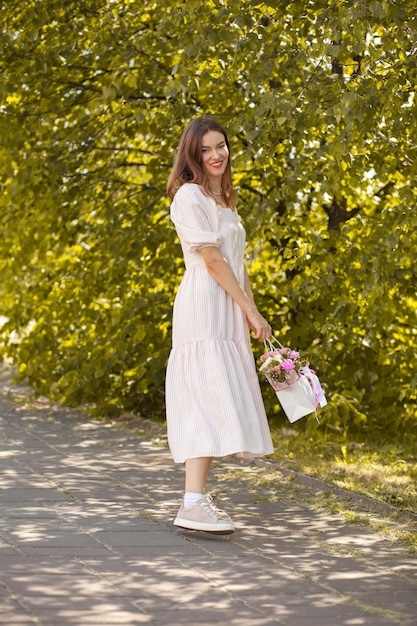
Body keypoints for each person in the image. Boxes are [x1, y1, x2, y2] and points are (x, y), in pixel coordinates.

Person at [165, 116, 274, 535]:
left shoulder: (223, 201)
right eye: (206, 149)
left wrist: (250, 310)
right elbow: (211, 260)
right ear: (193, 155)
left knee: (215, 396)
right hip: (205, 303)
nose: (216, 155)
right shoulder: (189, 196)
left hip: (227, 305)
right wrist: (249, 309)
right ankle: (192, 502)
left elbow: (236, 263)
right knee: (205, 397)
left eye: (221, 146)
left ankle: (196, 498)